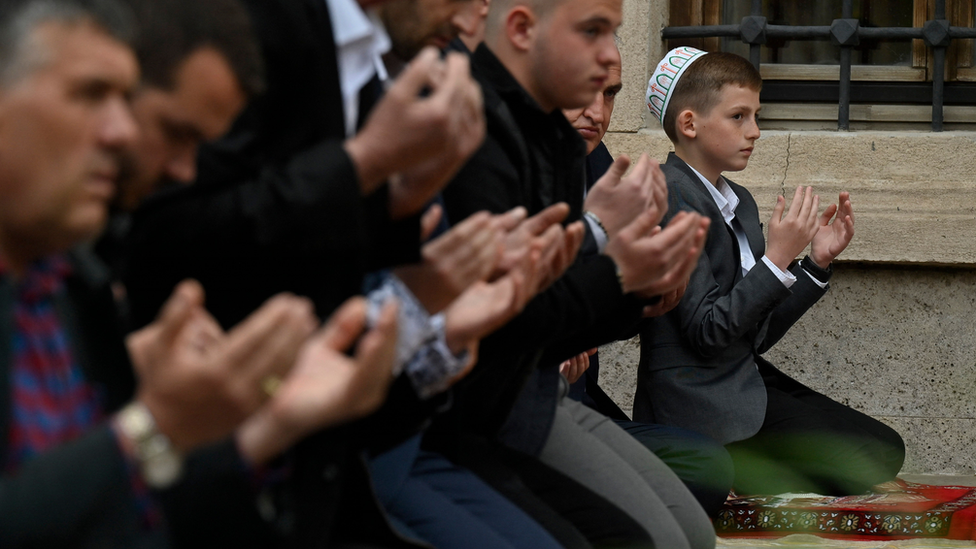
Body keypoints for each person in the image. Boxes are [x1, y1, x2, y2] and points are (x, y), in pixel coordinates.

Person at [0, 0, 401, 546]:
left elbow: (138, 511)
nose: (120, 132)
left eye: (123, 99)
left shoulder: (68, 287)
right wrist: (156, 426)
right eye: (91, 94)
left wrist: (266, 426)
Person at [434, 0, 718, 547]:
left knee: (691, 528)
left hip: (534, 394)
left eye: (612, 34)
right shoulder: (473, 122)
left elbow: (553, 308)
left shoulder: (558, 140)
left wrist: (638, 295)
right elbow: (501, 321)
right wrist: (613, 268)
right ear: (519, 29)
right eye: (592, 32)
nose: (610, 57)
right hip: (481, 415)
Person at [637, 46, 906, 496]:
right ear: (689, 124)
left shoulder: (737, 200)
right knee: (861, 460)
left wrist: (815, 263)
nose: (755, 131)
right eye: (739, 117)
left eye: (756, 116)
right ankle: (723, 466)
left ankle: (750, 466)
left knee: (884, 447)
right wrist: (776, 259)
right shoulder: (669, 196)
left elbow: (754, 334)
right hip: (696, 402)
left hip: (745, 378)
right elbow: (707, 332)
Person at [561, 47, 736, 517]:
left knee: (702, 472)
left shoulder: (599, 165)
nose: (597, 113)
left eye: (611, 94)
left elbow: (605, 314)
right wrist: (553, 336)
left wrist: (645, 300)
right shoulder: (498, 165)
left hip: (570, 396)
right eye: (584, 89)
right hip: (504, 406)